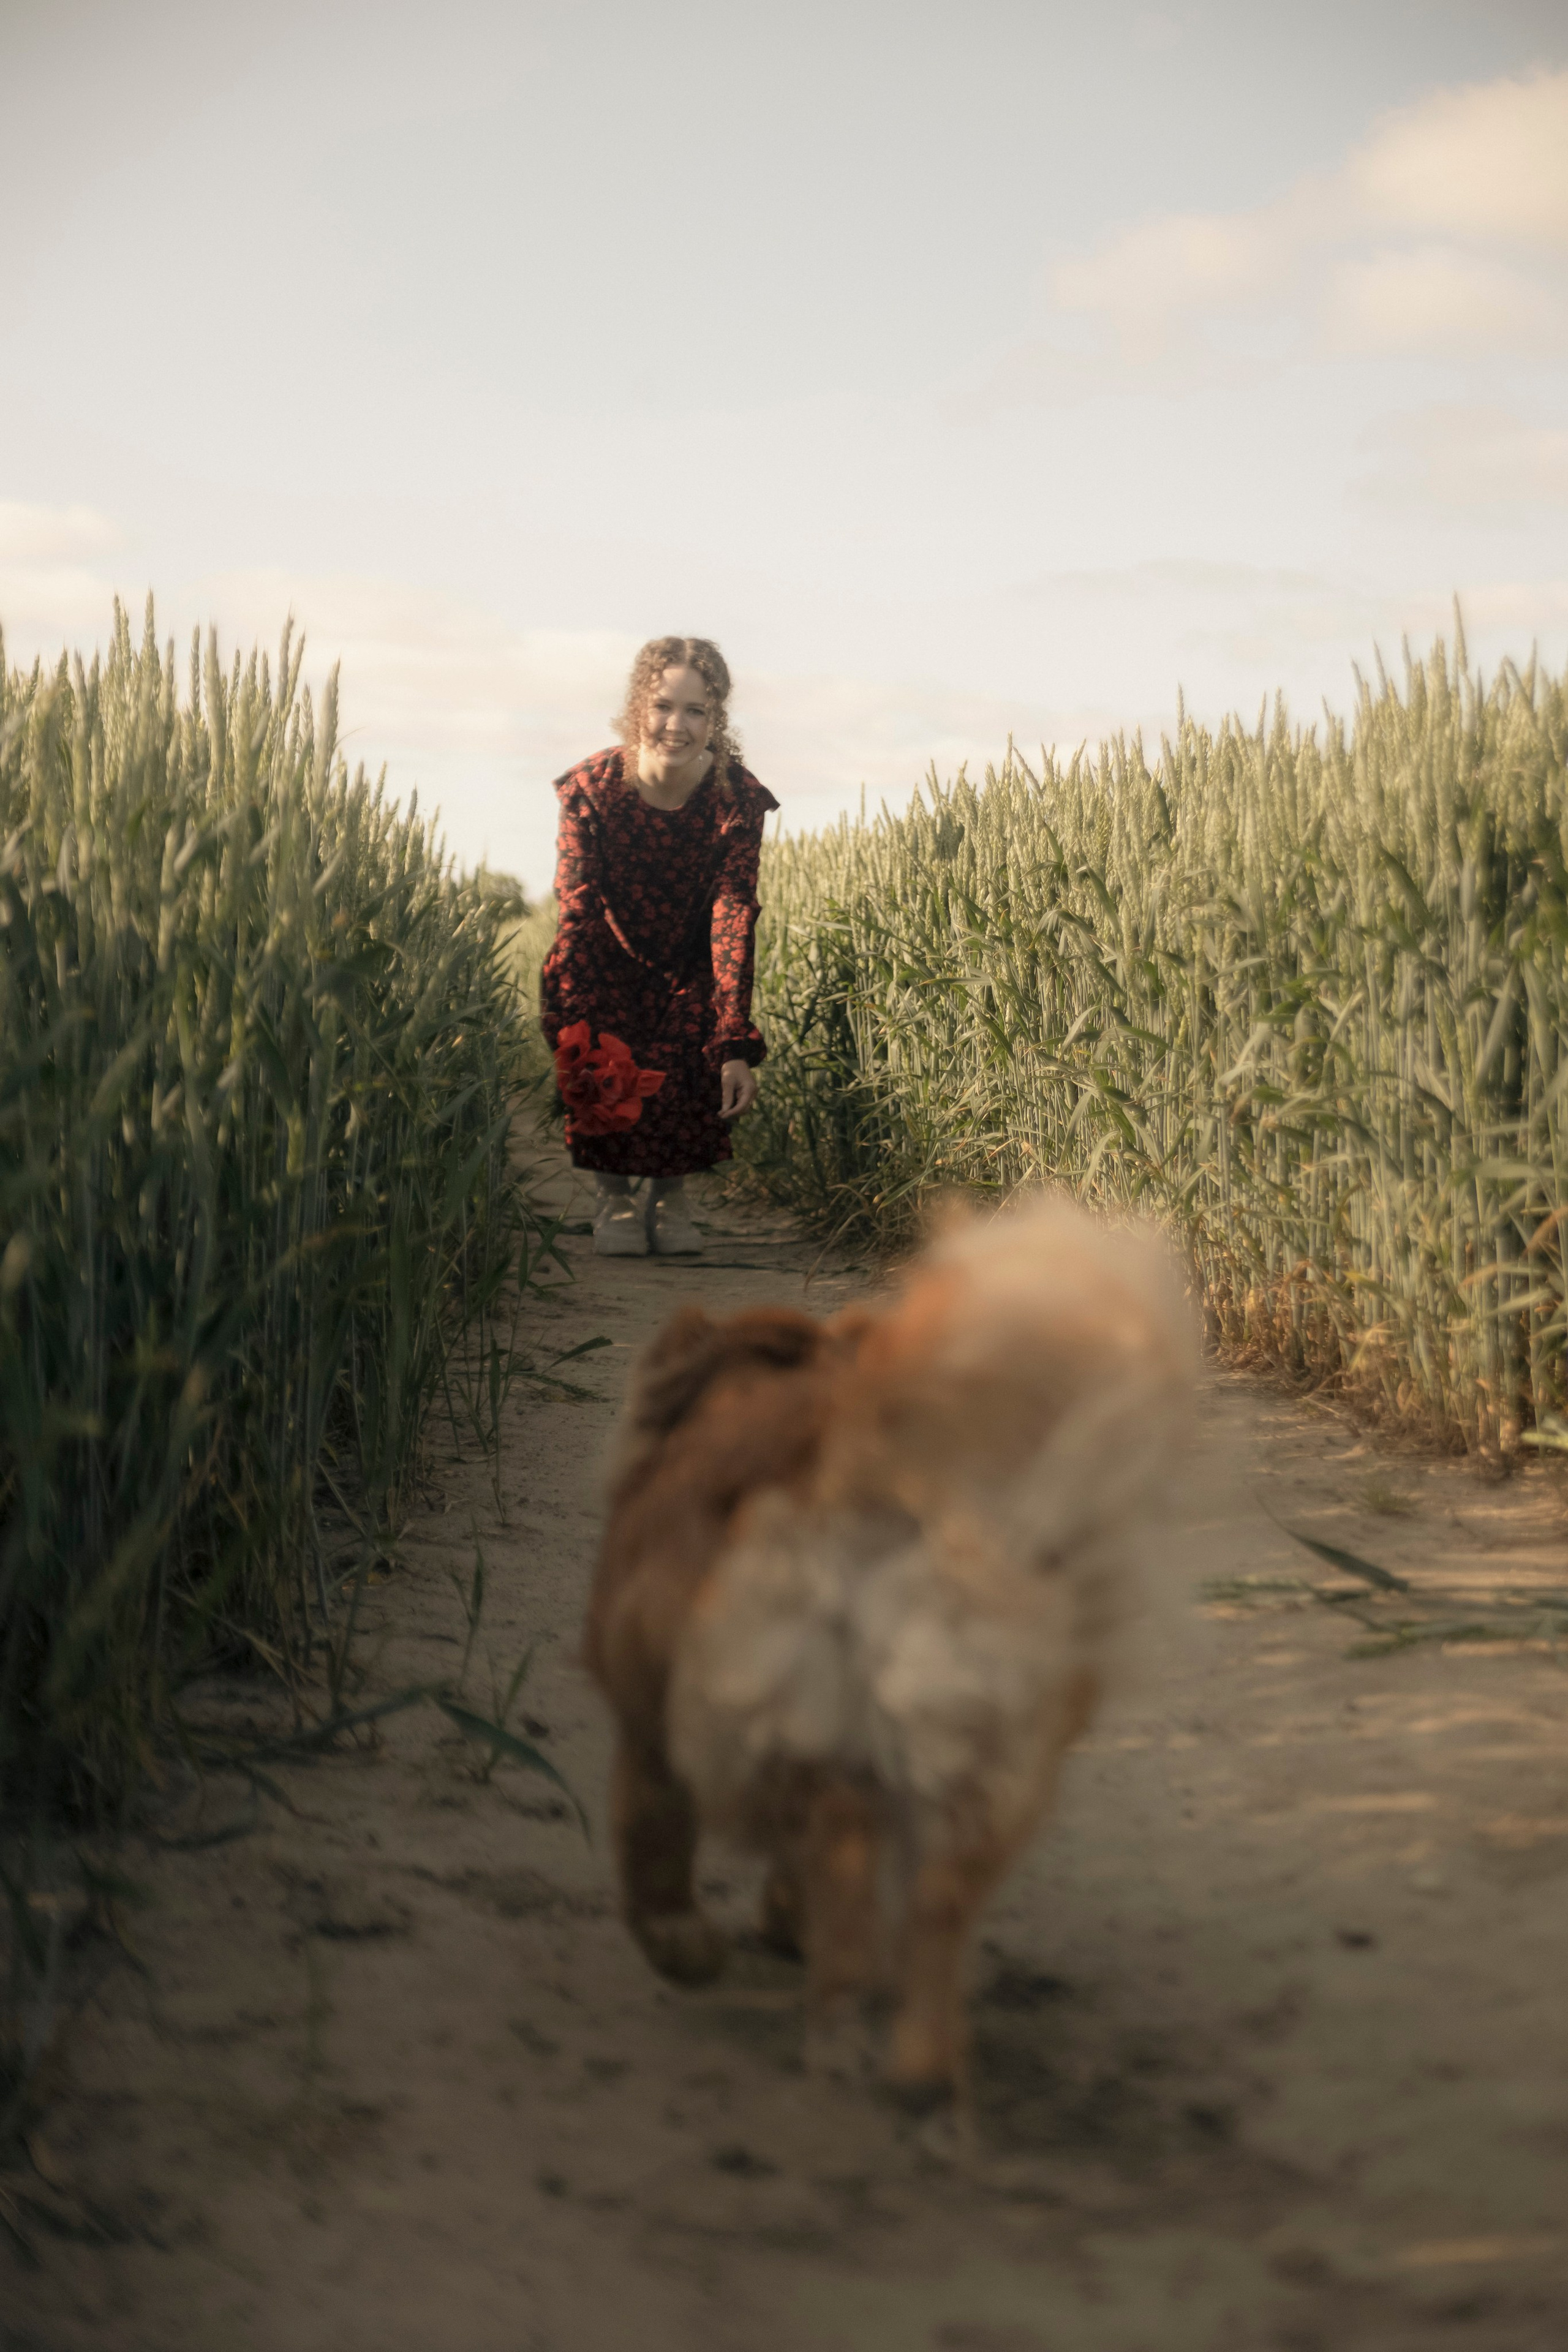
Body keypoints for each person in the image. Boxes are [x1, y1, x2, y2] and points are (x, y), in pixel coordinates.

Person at [538, 636, 777, 1257]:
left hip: (689, 958)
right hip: (603, 954)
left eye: (696, 711)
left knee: (695, 1030)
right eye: (664, 706)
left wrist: (732, 1039)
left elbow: (732, 914)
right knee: (597, 1042)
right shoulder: (590, 788)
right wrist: (574, 1012)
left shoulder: (737, 800)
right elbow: (578, 905)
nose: (677, 725)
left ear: (716, 718)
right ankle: (612, 1193)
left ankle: (672, 1194)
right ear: (636, 707)